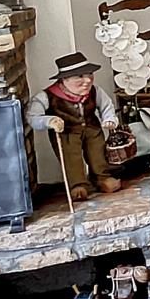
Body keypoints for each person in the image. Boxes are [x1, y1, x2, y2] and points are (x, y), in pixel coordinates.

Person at [27, 52, 126, 201]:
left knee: (98, 153)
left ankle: (102, 178)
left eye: (89, 74)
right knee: (70, 158)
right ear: (64, 79)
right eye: (79, 76)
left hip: (92, 129)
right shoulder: (47, 96)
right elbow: (32, 116)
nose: (87, 80)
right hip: (67, 133)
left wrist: (109, 118)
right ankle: (77, 185)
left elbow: (106, 106)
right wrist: (49, 121)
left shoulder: (95, 91)